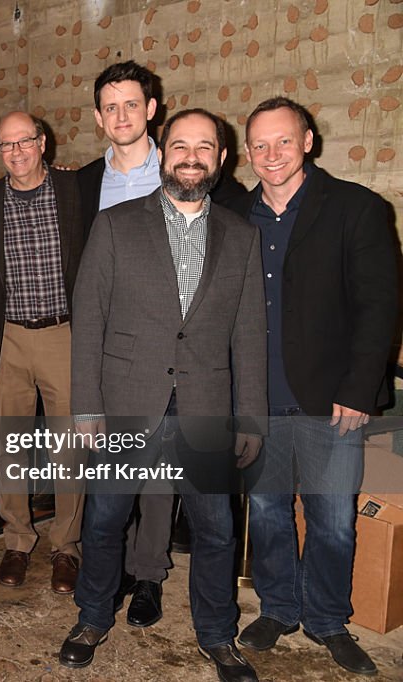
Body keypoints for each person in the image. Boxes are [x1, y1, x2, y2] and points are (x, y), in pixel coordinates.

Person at [59, 109, 267, 682]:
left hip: (205, 406)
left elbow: (249, 333)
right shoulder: (117, 224)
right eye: (180, 145)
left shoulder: (241, 236)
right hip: (126, 398)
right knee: (104, 520)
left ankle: (218, 636)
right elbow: (90, 320)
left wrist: (249, 416)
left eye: (205, 146)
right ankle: (92, 616)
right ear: (163, 154)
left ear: (222, 160)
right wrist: (87, 408)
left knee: (217, 529)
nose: (191, 156)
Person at [229, 97, 397, 676]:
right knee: (269, 514)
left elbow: (379, 309)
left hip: (332, 401)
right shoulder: (232, 214)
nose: (271, 154)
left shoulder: (355, 208)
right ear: (246, 152)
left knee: (332, 520)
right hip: (257, 400)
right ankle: (278, 608)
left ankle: (327, 619)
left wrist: (358, 387)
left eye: (283, 141)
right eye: (259, 144)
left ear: (307, 141)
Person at [0, 111, 85, 593]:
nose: (15, 151)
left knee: (69, 446)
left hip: (64, 332)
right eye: (5, 144)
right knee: (9, 443)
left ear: (43, 143)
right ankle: (17, 540)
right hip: (7, 337)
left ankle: (67, 546)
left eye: (24, 141)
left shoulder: (75, 192)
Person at [76, 60, 171, 628]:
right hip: (107, 345)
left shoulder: (183, 170)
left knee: (159, 477)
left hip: (168, 348)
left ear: (151, 109)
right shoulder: (85, 182)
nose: (120, 115)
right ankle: (104, 581)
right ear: (97, 117)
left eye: (131, 104)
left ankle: (150, 577)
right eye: (110, 106)